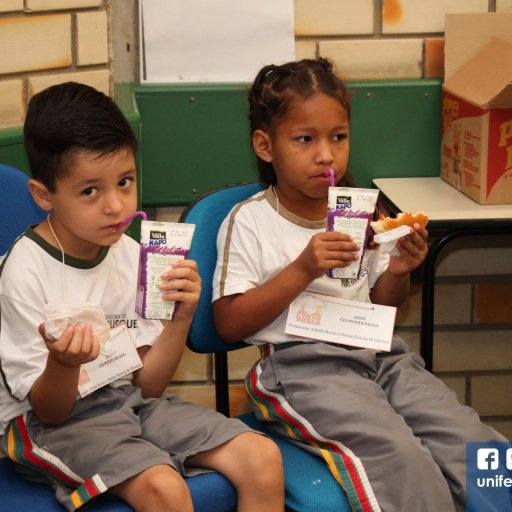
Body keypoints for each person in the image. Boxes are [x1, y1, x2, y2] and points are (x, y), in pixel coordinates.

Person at [212, 58, 508, 512]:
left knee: (472, 443)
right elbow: (228, 324)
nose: (326, 154)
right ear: (265, 146)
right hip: (302, 369)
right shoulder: (249, 221)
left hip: (380, 353)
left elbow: (381, 306)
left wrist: (399, 271)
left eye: (338, 137)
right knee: (402, 458)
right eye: (305, 139)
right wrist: (302, 268)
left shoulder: (361, 212)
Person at [0, 82, 284, 512]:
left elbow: (147, 385)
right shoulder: (22, 271)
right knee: (164, 488)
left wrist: (180, 319)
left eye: (125, 181)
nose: (116, 206)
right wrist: (63, 362)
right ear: (44, 196)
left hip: (130, 403)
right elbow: (51, 411)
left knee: (262, 457)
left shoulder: (136, 257)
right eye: (90, 191)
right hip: (48, 424)